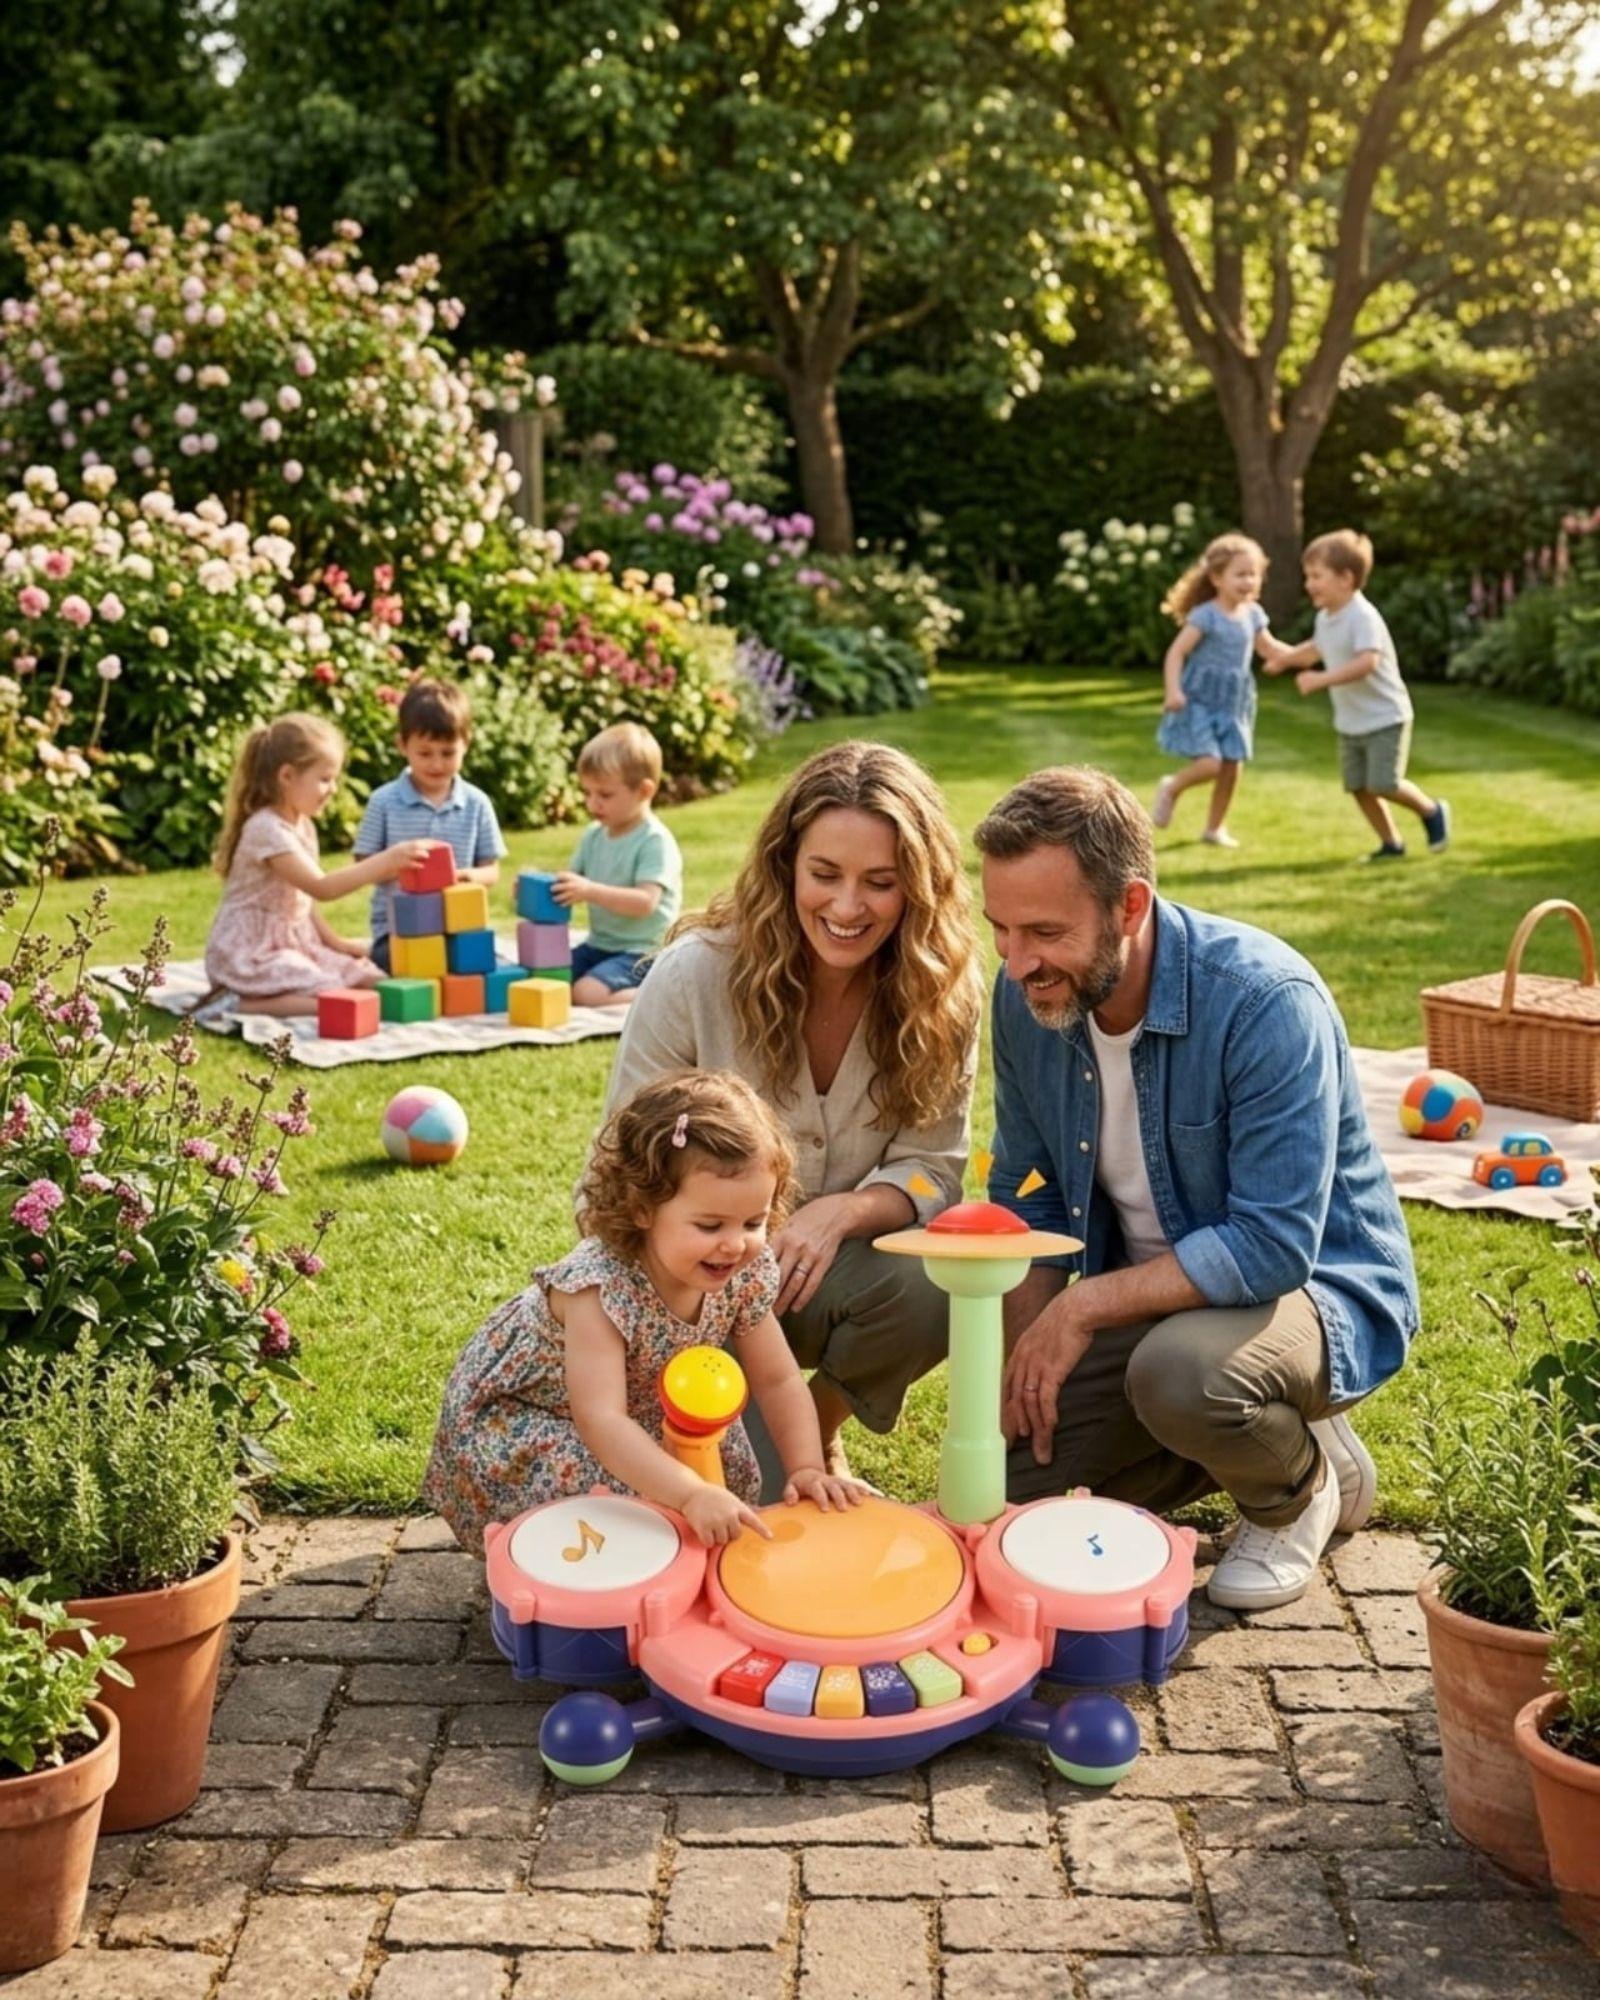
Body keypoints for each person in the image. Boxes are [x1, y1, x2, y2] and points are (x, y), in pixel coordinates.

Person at [975, 765, 1419, 1610]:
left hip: (1314, 1293)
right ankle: (1246, 1430)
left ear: (1130, 907)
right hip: (1156, 1307)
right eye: (1000, 928)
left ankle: (1293, 1490)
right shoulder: (1024, 997)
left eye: (1043, 931)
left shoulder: (1263, 1001)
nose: (1017, 960)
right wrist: (1020, 1373)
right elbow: (1025, 1200)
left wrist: (1082, 1308)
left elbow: (1273, 1246)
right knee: (1016, 1484)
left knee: (1184, 1378)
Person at [603, 741, 983, 1489]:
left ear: (919, 888)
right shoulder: (696, 975)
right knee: (750, 1505)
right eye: (824, 875)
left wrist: (843, 1211)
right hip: (690, 1294)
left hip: (825, 1277)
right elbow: (620, 1167)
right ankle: (750, 1436)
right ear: (786, 866)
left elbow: (935, 1173)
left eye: (881, 882)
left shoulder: (941, 997)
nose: (847, 908)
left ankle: (818, 1424)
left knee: (940, 1284)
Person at [423, 1069, 868, 1554]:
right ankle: (565, 1577)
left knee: (709, 1465)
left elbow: (778, 1380)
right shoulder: (599, 1286)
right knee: (630, 1498)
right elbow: (601, 1421)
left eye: (754, 1221)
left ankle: (678, 1573)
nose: (735, 1243)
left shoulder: (744, 1269)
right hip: (534, 1417)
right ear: (642, 1210)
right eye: (709, 1224)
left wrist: (805, 1468)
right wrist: (690, 1491)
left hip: (633, 1412)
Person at [204, 714, 434, 1016]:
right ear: (286, 776)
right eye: (325, 779)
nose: (334, 789)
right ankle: (237, 1002)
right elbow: (322, 888)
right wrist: (385, 861)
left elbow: (305, 901)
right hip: (250, 951)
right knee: (334, 995)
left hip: (295, 943)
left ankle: (283, 995)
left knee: (369, 978)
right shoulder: (266, 830)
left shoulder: (303, 825)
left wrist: (336, 943)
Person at [1265, 530, 1451, 862]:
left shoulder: (1362, 616)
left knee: (1383, 782)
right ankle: (1391, 843)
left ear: (1346, 578)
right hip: (1351, 721)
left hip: (1385, 716)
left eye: (1316, 576)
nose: (1309, 584)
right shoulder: (1326, 617)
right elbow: (1316, 649)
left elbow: (1367, 662)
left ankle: (1432, 811)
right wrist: (1286, 658)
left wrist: (1321, 680)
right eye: (1308, 576)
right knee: (1358, 787)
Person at [353, 678, 507, 971]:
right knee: (403, 966)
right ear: (402, 745)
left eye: (448, 753)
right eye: (425, 753)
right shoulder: (383, 801)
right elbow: (363, 863)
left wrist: (466, 877)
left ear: (466, 744)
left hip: (459, 927)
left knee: (482, 966)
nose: (437, 764)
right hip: (398, 931)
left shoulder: (477, 803)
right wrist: (398, 863)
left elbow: (492, 870)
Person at [1150, 533, 1285, 848]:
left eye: (1254, 574)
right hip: (1200, 700)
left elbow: (1269, 648)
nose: (1249, 581)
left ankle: (1214, 828)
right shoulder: (1206, 615)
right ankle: (1172, 786)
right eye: (1240, 574)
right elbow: (1176, 653)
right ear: (1216, 578)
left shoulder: (1253, 614)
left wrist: (1299, 656)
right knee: (1211, 763)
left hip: (1235, 704)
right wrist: (1173, 691)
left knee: (1231, 767)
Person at [551, 722, 683, 1007]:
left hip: (644, 951)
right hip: (600, 945)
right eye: (588, 793)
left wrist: (589, 891)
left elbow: (645, 902)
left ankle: (664, 997)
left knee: (587, 993)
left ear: (644, 791)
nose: (592, 803)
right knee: (548, 977)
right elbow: (570, 882)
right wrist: (534, 888)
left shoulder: (654, 841)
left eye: (605, 795)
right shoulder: (593, 836)